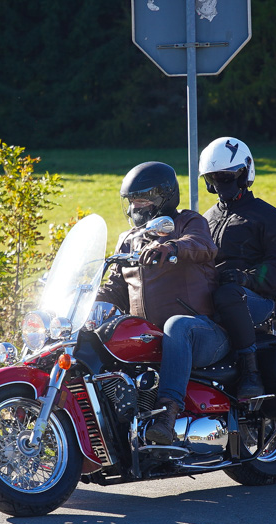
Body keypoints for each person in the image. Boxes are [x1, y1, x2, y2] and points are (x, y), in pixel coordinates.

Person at [96, 161, 230, 445]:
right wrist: (88, 302)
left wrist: (171, 247)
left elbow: (202, 245)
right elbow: (115, 286)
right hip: (155, 336)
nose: (135, 206)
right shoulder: (129, 240)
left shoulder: (188, 222)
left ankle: (166, 416)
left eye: (142, 199)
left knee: (177, 325)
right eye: (132, 200)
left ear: (163, 198)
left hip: (202, 332)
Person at [199, 137, 276, 400]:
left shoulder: (267, 216)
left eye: (225, 178)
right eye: (212, 179)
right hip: (217, 296)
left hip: (257, 300)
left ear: (244, 173)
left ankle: (250, 370)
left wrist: (247, 279)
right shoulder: (206, 219)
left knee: (228, 293)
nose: (219, 185)